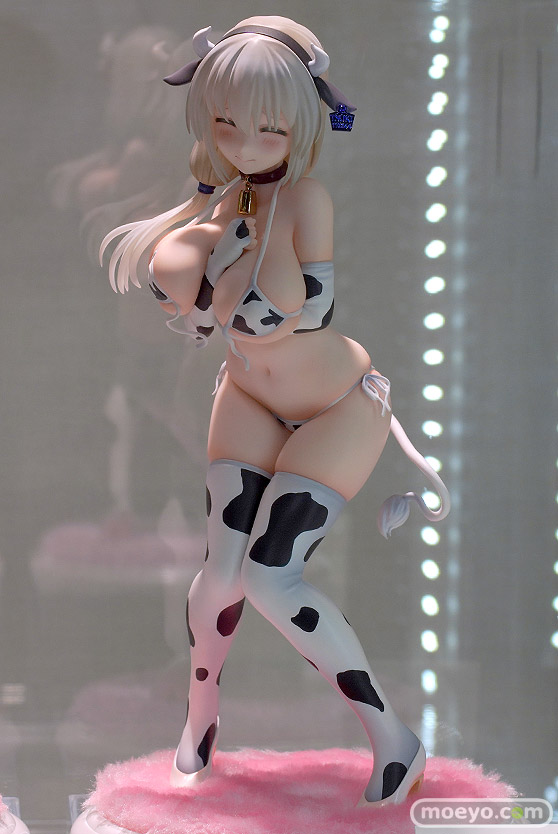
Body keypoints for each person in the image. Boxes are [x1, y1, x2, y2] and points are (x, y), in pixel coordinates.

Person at [101, 15, 450, 807]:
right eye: (228, 123)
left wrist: (222, 293)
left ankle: (395, 738)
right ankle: (199, 721)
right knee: (216, 578)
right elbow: (181, 285)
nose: (247, 143)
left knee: (270, 575)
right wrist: (196, 277)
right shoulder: (225, 199)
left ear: (301, 121)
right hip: (249, 396)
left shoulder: (305, 199)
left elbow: (311, 306)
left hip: (334, 406)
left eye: (269, 127)